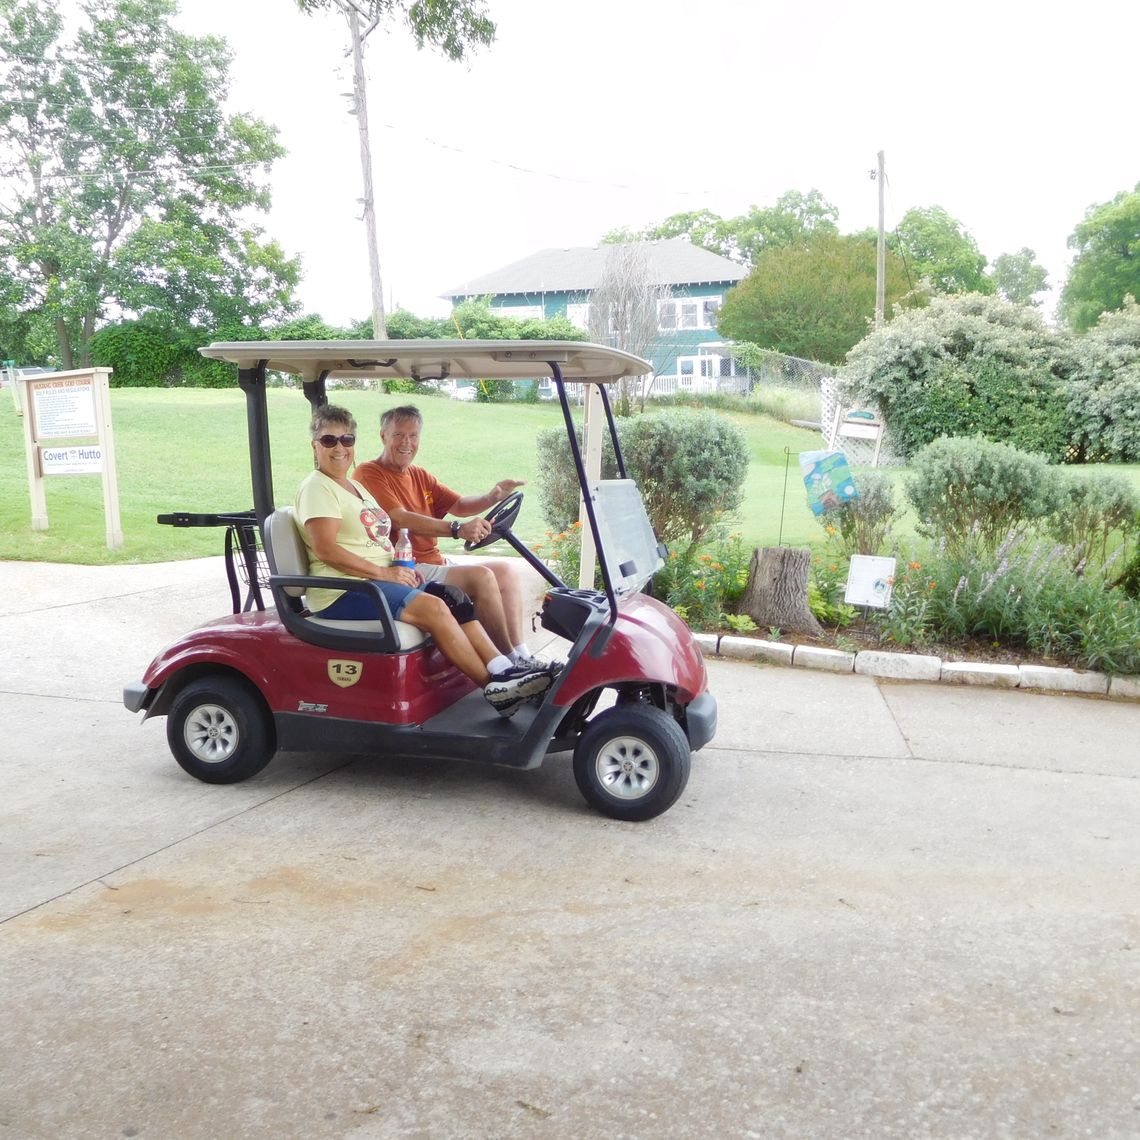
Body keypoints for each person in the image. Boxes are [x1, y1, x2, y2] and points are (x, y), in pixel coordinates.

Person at [293, 404, 555, 717]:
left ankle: (505, 669)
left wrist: (399, 569)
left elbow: (390, 531)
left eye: (346, 440)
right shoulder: (317, 487)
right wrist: (385, 573)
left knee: (452, 596)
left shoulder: (354, 487)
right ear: (315, 445)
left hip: (374, 580)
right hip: (344, 590)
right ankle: (495, 688)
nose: (339, 448)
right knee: (434, 607)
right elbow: (326, 550)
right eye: (329, 441)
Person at [354, 404, 558, 672]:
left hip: (434, 561)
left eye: (413, 436)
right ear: (383, 436)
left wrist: (491, 497)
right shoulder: (370, 473)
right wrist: (456, 529)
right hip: (406, 567)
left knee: (506, 572)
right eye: (399, 435)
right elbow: (399, 518)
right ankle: (510, 664)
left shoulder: (419, 475)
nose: (407, 443)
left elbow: (459, 504)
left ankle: (521, 654)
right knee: (481, 577)